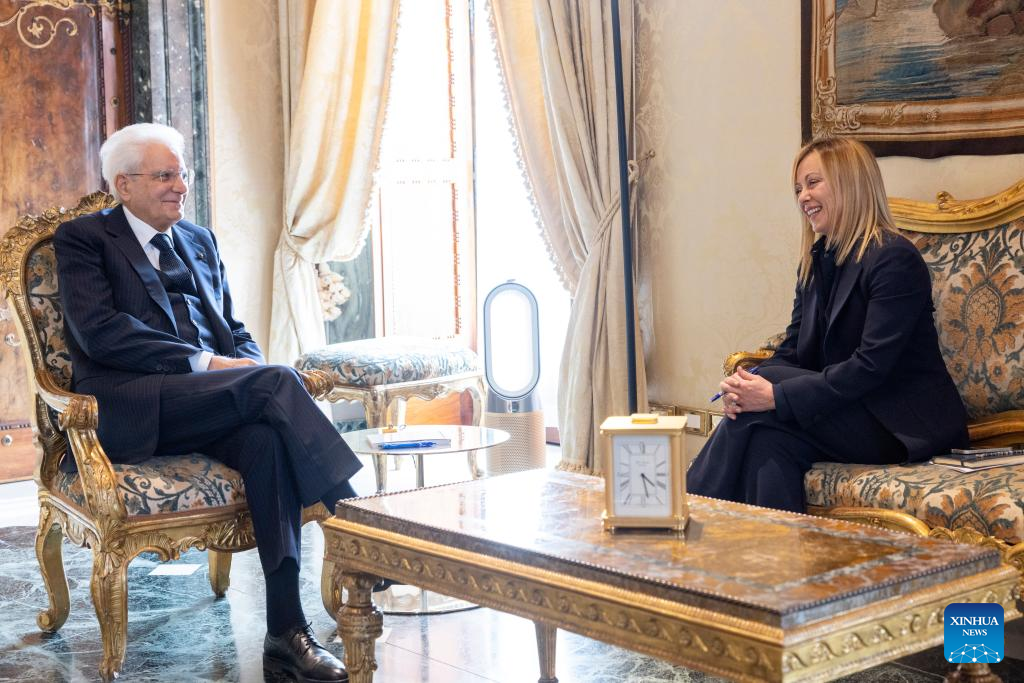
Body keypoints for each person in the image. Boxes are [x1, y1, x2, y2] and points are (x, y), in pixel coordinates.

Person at [54, 123, 358, 683]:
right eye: (165, 175)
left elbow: (234, 331)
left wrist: (243, 365)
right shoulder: (83, 239)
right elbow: (101, 333)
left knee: (267, 441)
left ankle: (286, 632)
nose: (181, 186)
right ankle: (358, 524)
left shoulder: (198, 239)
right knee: (274, 382)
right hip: (134, 406)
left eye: (183, 174)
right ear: (124, 185)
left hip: (209, 404)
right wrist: (213, 366)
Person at [686, 137, 968, 513]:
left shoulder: (894, 259)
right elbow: (793, 349)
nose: (803, 197)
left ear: (850, 182)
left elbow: (871, 366)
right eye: (798, 188)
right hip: (843, 410)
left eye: (813, 182)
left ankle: (687, 515)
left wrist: (774, 396)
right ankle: (772, 551)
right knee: (767, 441)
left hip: (897, 423)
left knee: (762, 400)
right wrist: (747, 384)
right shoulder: (817, 261)